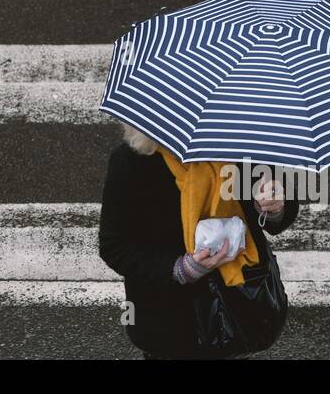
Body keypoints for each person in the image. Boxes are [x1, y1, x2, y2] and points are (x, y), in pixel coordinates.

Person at [98, 123, 300, 359]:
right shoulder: (131, 162)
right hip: (167, 320)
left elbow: (275, 214)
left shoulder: (241, 148)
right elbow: (114, 246)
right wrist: (180, 269)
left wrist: (274, 207)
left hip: (238, 304)